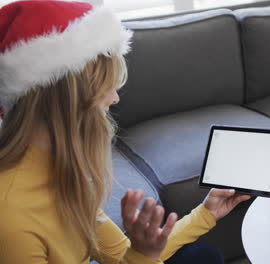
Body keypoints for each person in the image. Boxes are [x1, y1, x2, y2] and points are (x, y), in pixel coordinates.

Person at [0, 1, 250, 263]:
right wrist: (142, 255)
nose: (114, 98)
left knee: (202, 256)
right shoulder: (11, 217)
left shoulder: (59, 169)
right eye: (105, 86)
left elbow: (119, 255)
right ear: (69, 101)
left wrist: (206, 213)